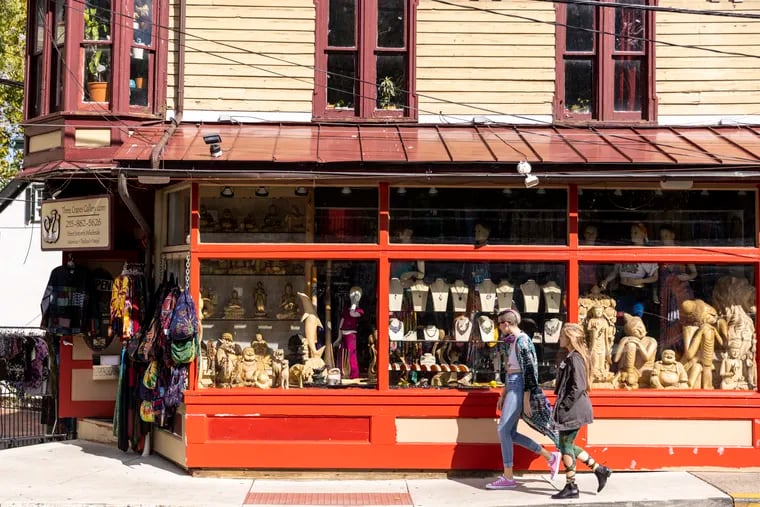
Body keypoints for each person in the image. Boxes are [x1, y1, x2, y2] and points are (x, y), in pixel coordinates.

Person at [486, 308, 561, 490]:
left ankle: (508, 476)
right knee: (509, 433)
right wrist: (504, 393)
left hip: (519, 385)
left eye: (500, 324)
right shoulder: (512, 342)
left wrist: (526, 398)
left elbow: (529, 371)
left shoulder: (522, 341)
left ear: (506, 323)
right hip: (512, 384)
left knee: (503, 430)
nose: (499, 328)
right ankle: (550, 457)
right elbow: (511, 369)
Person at [551, 323, 612, 499]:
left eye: (562, 335)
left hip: (574, 408)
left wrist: (564, 406)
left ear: (569, 337)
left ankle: (571, 486)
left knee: (565, 446)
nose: (559, 339)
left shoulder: (575, 358)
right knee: (565, 445)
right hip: (574, 407)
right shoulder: (572, 356)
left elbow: (578, 387)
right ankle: (599, 469)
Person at [598, 223, 658, 329]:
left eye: (636, 232)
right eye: (631, 232)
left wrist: (640, 281)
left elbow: (655, 277)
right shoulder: (626, 251)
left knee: (636, 321)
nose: (632, 235)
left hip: (637, 292)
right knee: (620, 318)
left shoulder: (646, 254)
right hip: (623, 290)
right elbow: (615, 271)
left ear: (644, 234)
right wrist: (606, 280)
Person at [657, 225, 697, 353]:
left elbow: (694, 273)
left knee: (681, 320)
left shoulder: (683, 251)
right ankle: (668, 349)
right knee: (667, 321)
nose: (664, 240)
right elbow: (656, 275)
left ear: (673, 236)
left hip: (681, 292)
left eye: (667, 236)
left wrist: (688, 276)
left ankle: (682, 350)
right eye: (662, 237)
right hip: (666, 293)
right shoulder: (659, 253)